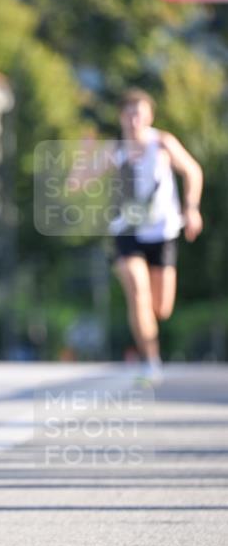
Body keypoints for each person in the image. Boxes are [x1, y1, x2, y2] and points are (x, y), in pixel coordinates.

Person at [110, 88, 203, 383]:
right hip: (127, 231)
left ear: (149, 116)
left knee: (160, 308)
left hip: (162, 232)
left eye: (140, 112)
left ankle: (147, 333)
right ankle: (151, 361)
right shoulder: (114, 150)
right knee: (138, 291)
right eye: (129, 112)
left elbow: (193, 171)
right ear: (121, 117)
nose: (135, 118)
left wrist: (191, 208)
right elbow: (78, 181)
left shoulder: (162, 142)